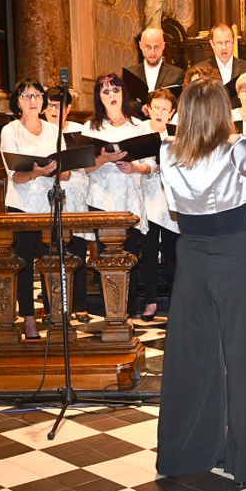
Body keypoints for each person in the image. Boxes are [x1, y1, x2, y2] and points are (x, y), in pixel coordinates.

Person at [157, 78, 246, 486]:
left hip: (192, 256)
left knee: (192, 356)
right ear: (221, 111)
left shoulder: (167, 152)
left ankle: (190, 450)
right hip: (236, 254)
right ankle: (241, 455)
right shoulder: (236, 149)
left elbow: (177, 205)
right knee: (243, 353)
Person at [82, 72, 149, 321]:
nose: (111, 95)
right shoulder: (91, 127)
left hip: (129, 199)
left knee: (129, 256)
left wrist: (136, 167)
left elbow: (151, 164)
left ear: (123, 93)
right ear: (99, 97)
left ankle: (128, 311)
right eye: (105, 91)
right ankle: (112, 311)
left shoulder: (138, 126)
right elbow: (85, 168)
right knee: (105, 258)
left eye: (115, 90)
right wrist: (104, 158)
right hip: (102, 199)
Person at [0, 79, 60, 340]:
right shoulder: (10, 130)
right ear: (18, 102)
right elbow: (15, 176)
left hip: (50, 205)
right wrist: (36, 172)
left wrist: (56, 170)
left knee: (52, 263)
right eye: (26, 96)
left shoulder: (53, 130)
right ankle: (28, 319)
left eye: (36, 95)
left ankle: (54, 315)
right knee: (24, 264)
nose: (33, 100)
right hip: (22, 206)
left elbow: (66, 172)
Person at [43, 87, 91, 323]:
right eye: (50, 105)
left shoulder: (78, 131)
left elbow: (88, 164)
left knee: (78, 251)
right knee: (51, 254)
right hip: (50, 200)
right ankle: (53, 306)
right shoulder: (39, 133)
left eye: (59, 106)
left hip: (77, 198)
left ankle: (80, 305)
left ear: (69, 109)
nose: (54, 110)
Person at [135, 88, 179, 321]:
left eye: (165, 109)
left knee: (172, 252)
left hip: (170, 198)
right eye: (156, 108)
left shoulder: (176, 134)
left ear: (171, 113)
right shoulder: (139, 130)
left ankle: (175, 301)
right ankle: (150, 301)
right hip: (146, 197)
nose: (159, 112)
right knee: (149, 251)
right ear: (148, 109)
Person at [124, 27, 185, 119]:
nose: (152, 52)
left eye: (156, 47)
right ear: (140, 46)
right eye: (148, 47)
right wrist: (141, 108)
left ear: (163, 46)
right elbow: (124, 102)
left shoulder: (177, 74)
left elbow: (180, 104)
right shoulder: (130, 74)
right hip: (137, 127)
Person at [195, 23, 246, 108]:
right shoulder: (201, 69)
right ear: (212, 44)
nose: (224, 47)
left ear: (234, 42)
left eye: (227, 42)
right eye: (219, 43)